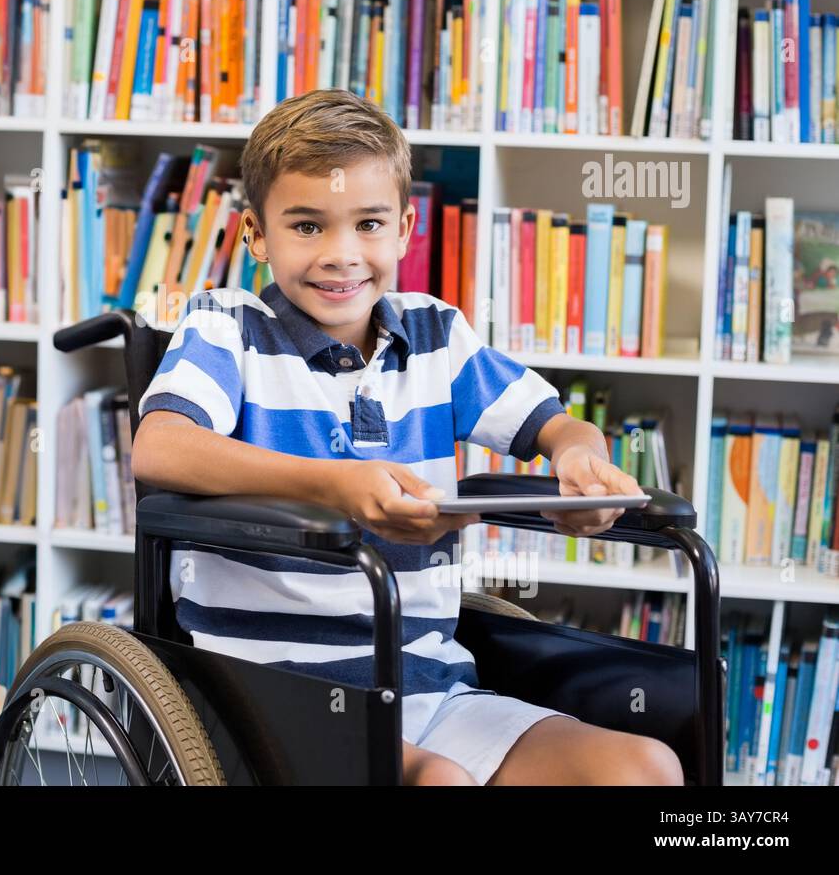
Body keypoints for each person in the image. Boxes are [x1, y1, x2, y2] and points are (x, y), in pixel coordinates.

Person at [129, 89, 684, 786]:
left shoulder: (436, 335)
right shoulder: (225, 326)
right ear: (255, 235)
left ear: (405, 228)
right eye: (306, 226)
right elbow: (161, 447)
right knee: (440, 783)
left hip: (429, 684)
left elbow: (558, 425)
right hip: (274, 694)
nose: (341, 255)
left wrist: (581, 463)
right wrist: (336, 485)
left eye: (368, 224)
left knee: (644, 768)